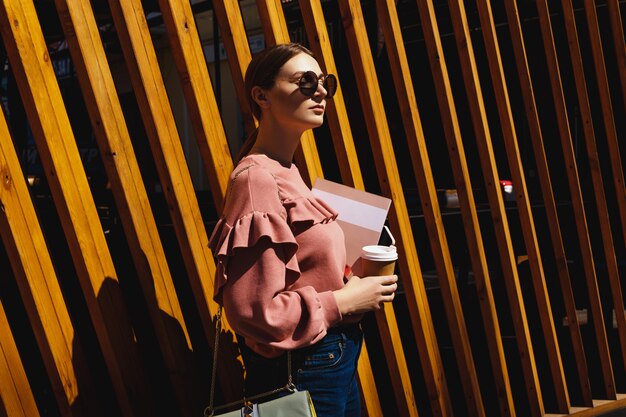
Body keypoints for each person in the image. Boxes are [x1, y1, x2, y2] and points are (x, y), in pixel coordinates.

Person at [208, 42, 398, 417]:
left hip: (331, 357)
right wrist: (342, 302)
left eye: (325, 81)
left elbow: (300, 277)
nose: (322, 91)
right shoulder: (256, 179)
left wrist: (355, 282)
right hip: (303, 366)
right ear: (261, 96)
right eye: (306, 81)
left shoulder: (288, 171)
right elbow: (255, 312)